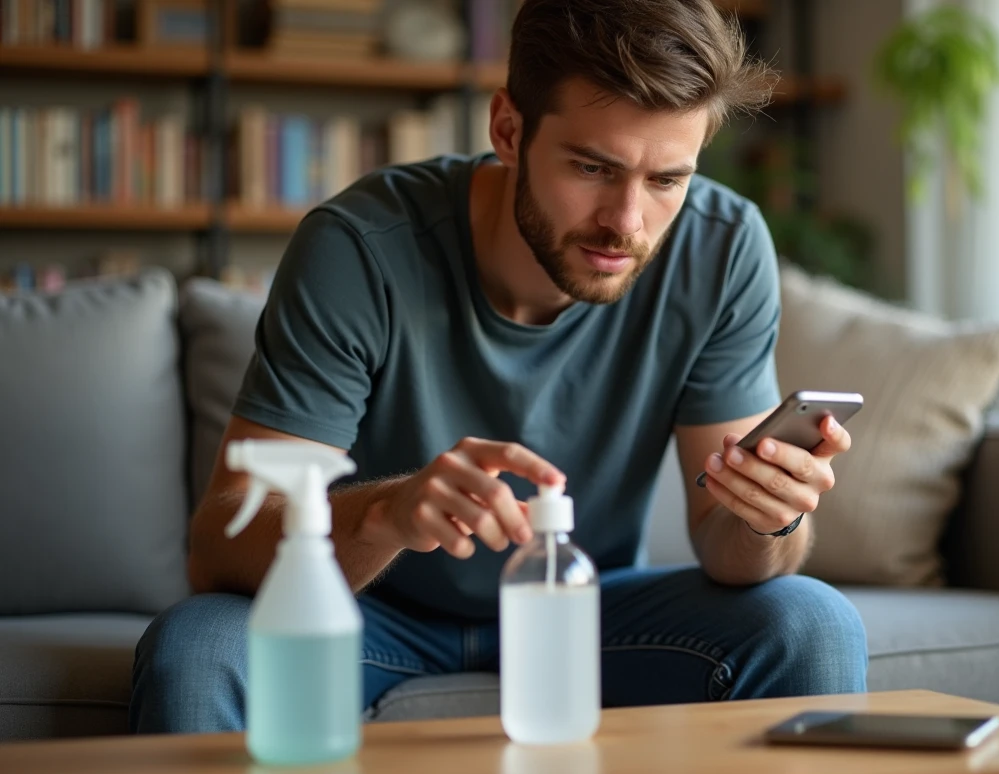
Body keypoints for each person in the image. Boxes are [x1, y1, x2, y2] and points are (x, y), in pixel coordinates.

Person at [130, 0, 868, 734]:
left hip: (584, 608)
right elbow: (219, 549)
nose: (626, 222)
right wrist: (387, 515)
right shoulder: (360, 248)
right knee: (200, 646)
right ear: (509, 130)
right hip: (367, 613)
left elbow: (728, 549)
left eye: (666, 180)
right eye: (592, 167)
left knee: (812, 622)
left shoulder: (722, 248)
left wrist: (768, 517)